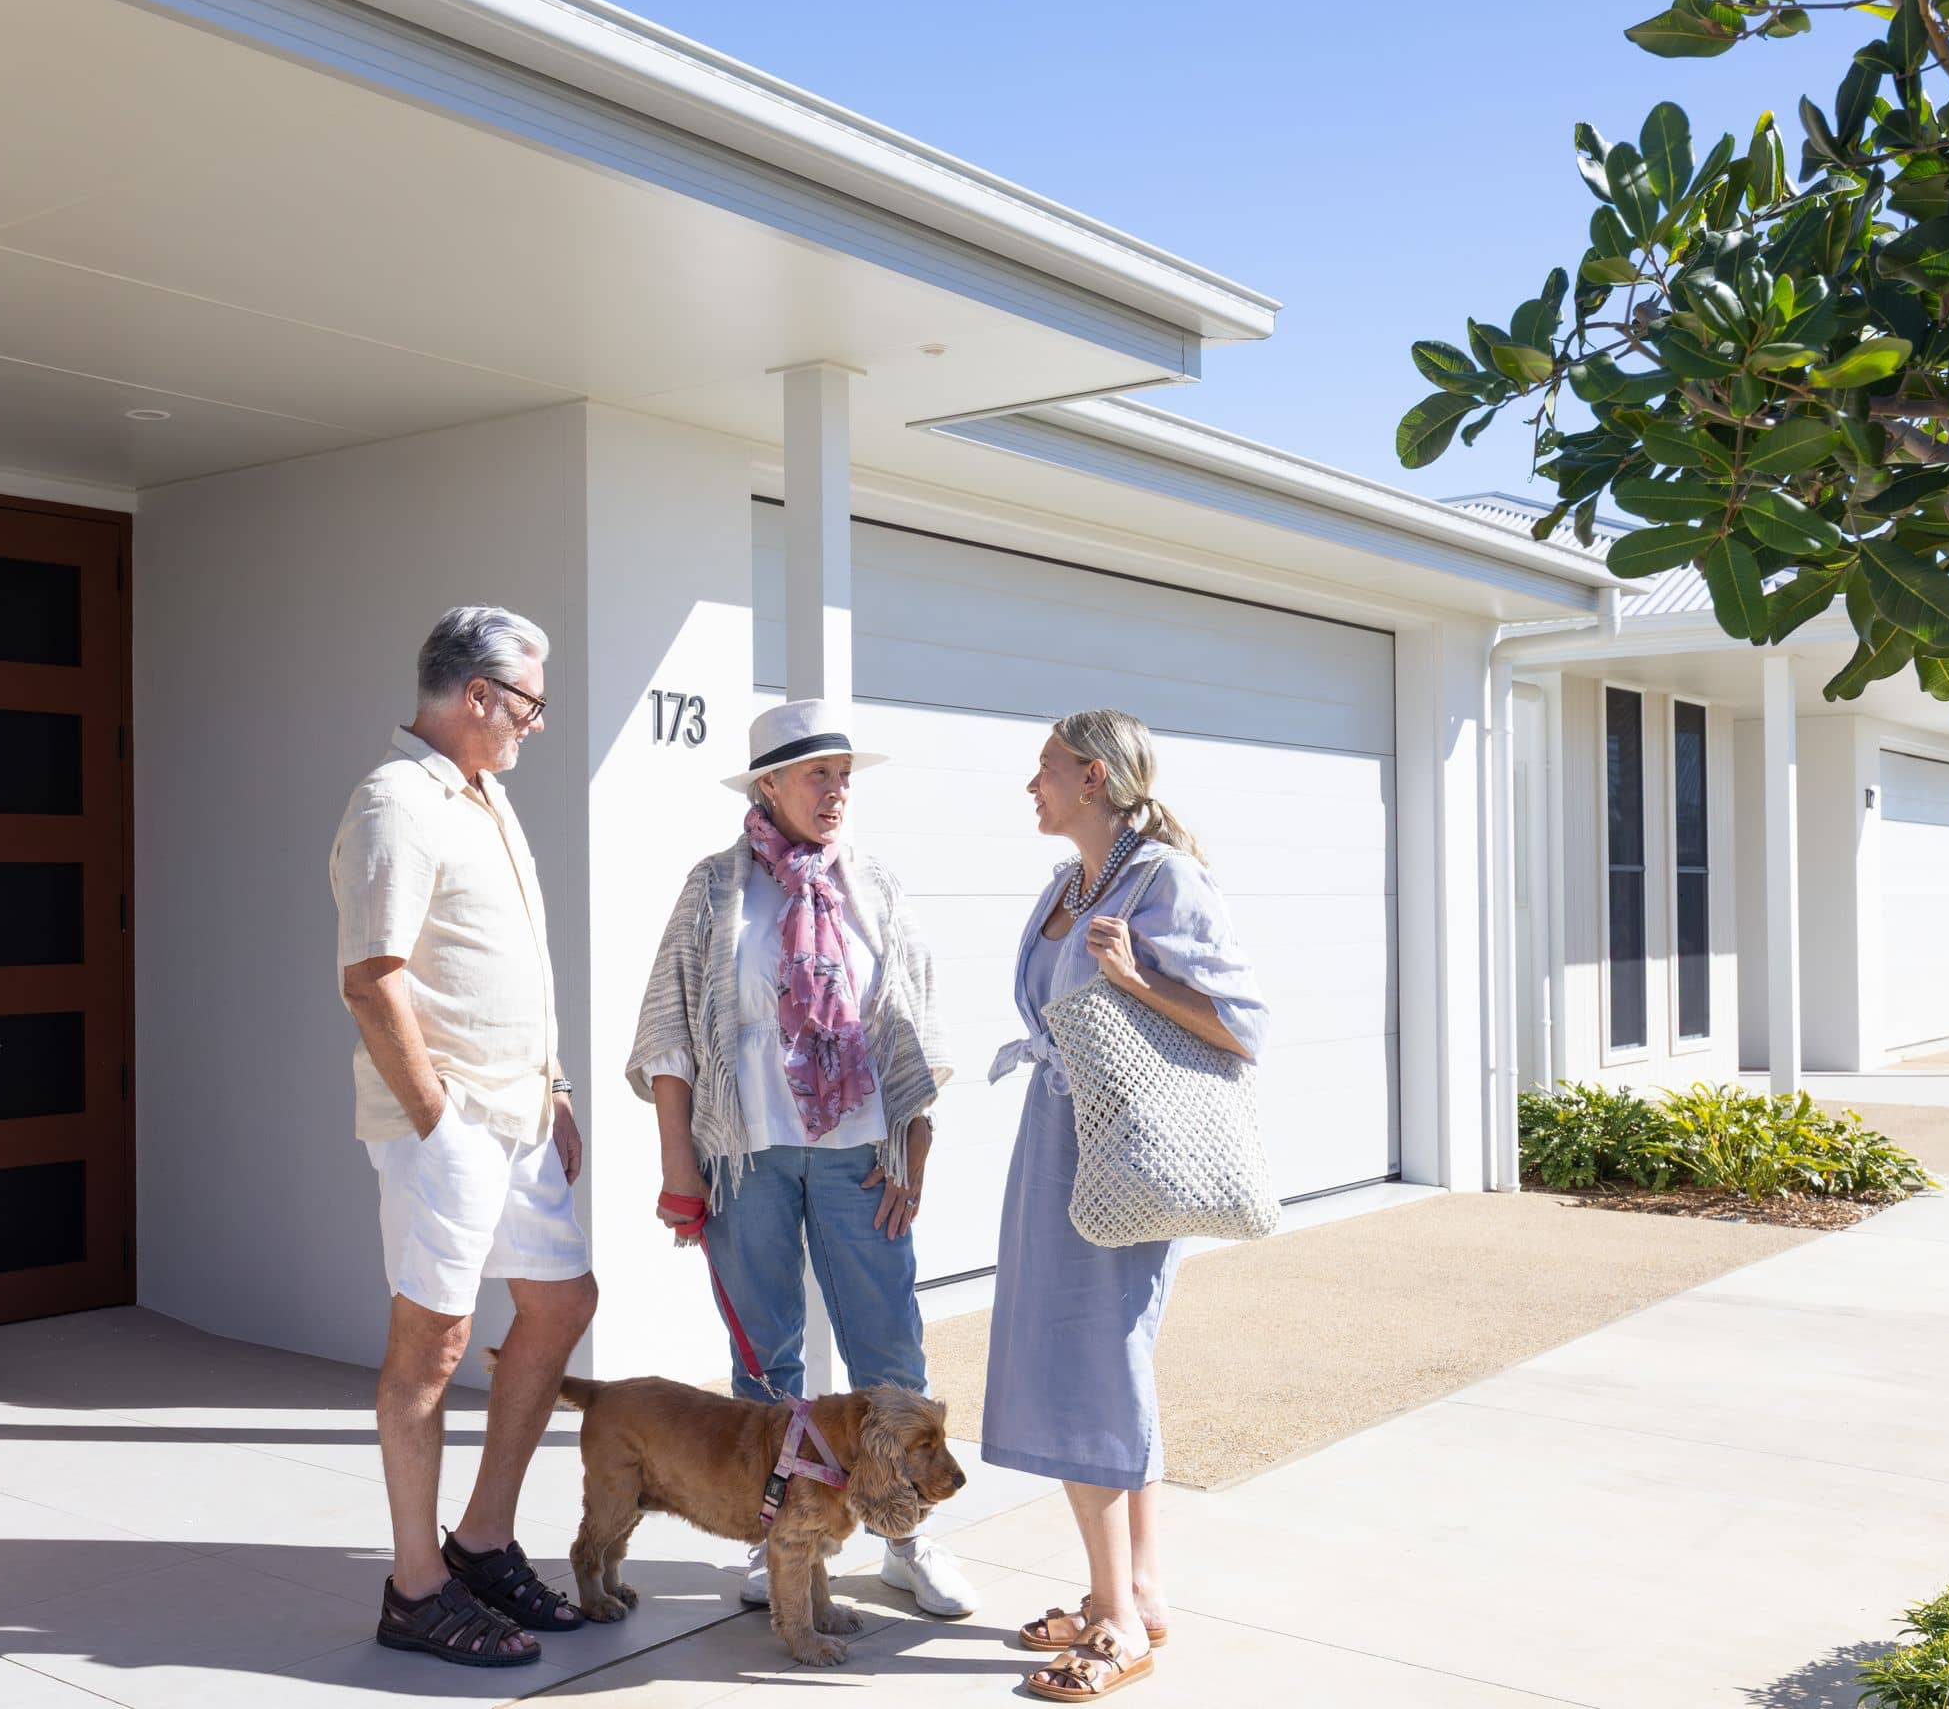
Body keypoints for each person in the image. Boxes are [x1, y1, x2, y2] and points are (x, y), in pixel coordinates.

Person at [627, 698, 982, 1620]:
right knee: (766, 1362)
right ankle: (776, 1533)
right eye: (818, 774)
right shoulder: (715, 887)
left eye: (844, 775)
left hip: (861, 1152)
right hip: (746, 1155)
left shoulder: (875, 885)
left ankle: (907, 1535)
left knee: (890, 1353)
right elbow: (670, 1036)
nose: (836, 791)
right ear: (769, 785)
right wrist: (679, 1165)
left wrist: (916, 1153)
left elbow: (915, 1025)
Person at [983, 709, 1266, 1704]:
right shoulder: (1071, 882)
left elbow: (1241, 1027)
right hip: (1054, 1137)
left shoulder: (1166, 881)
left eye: (1046, 769)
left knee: (1093, 1358)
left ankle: (1113, 1619)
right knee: (1087, 1352)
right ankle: (1135, 1590)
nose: (1033, 784)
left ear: (1093, 776)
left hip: (1124, 1154)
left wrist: (1136, 977)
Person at [333, 605, 596, 1670]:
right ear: (480, 694)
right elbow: (371, 975)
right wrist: (438, 1123)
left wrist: (557, 1085)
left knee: (563, 1299)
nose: (538, 724)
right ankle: (416, 1587)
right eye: (531, 703)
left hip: (520, 1112)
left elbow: (508, 962)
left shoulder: (485, 795)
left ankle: (481, 1542)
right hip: (445, 1125)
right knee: (432, 1345)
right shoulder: (396, 800)